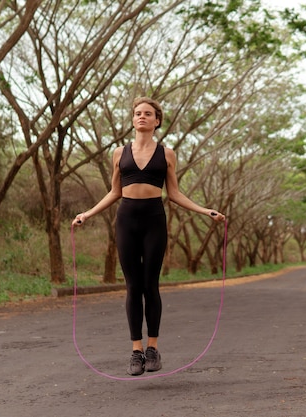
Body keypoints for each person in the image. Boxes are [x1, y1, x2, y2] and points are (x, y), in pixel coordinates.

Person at [72, 97, 225, 375]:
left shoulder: (167, 154)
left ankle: (153, 348)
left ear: (157, 121)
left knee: (150, 285)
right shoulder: (119, 153)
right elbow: (114, 192)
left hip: (154, 219)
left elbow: (174, 194)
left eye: (148, 114)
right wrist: (87, 214)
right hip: (126, 220)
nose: (142, 117)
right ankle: (136, 351)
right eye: (137, 113)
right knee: (133, 287)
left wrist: (206, 211)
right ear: (133, 120)